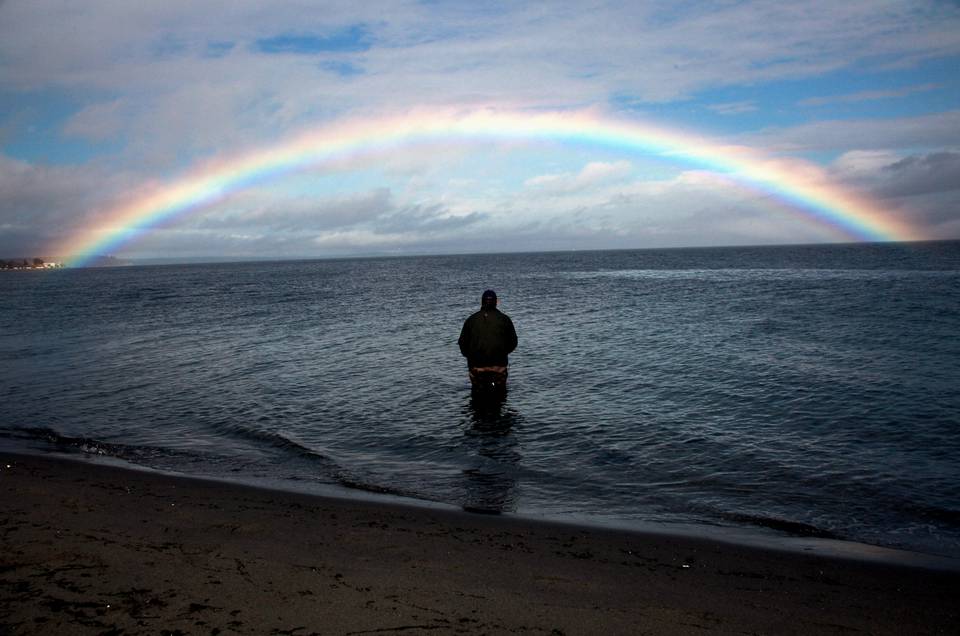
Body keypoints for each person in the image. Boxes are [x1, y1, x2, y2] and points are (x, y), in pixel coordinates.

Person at [458, 289, 518, 393]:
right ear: (496, 302)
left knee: (477, 397)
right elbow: (513, 342)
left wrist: (471, 356)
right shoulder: (504, 319)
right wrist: (502, 352)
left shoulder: (471, 320)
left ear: (482, 302)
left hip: (477, 367)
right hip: (498, 366)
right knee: (500, 397)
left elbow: (462, 343)